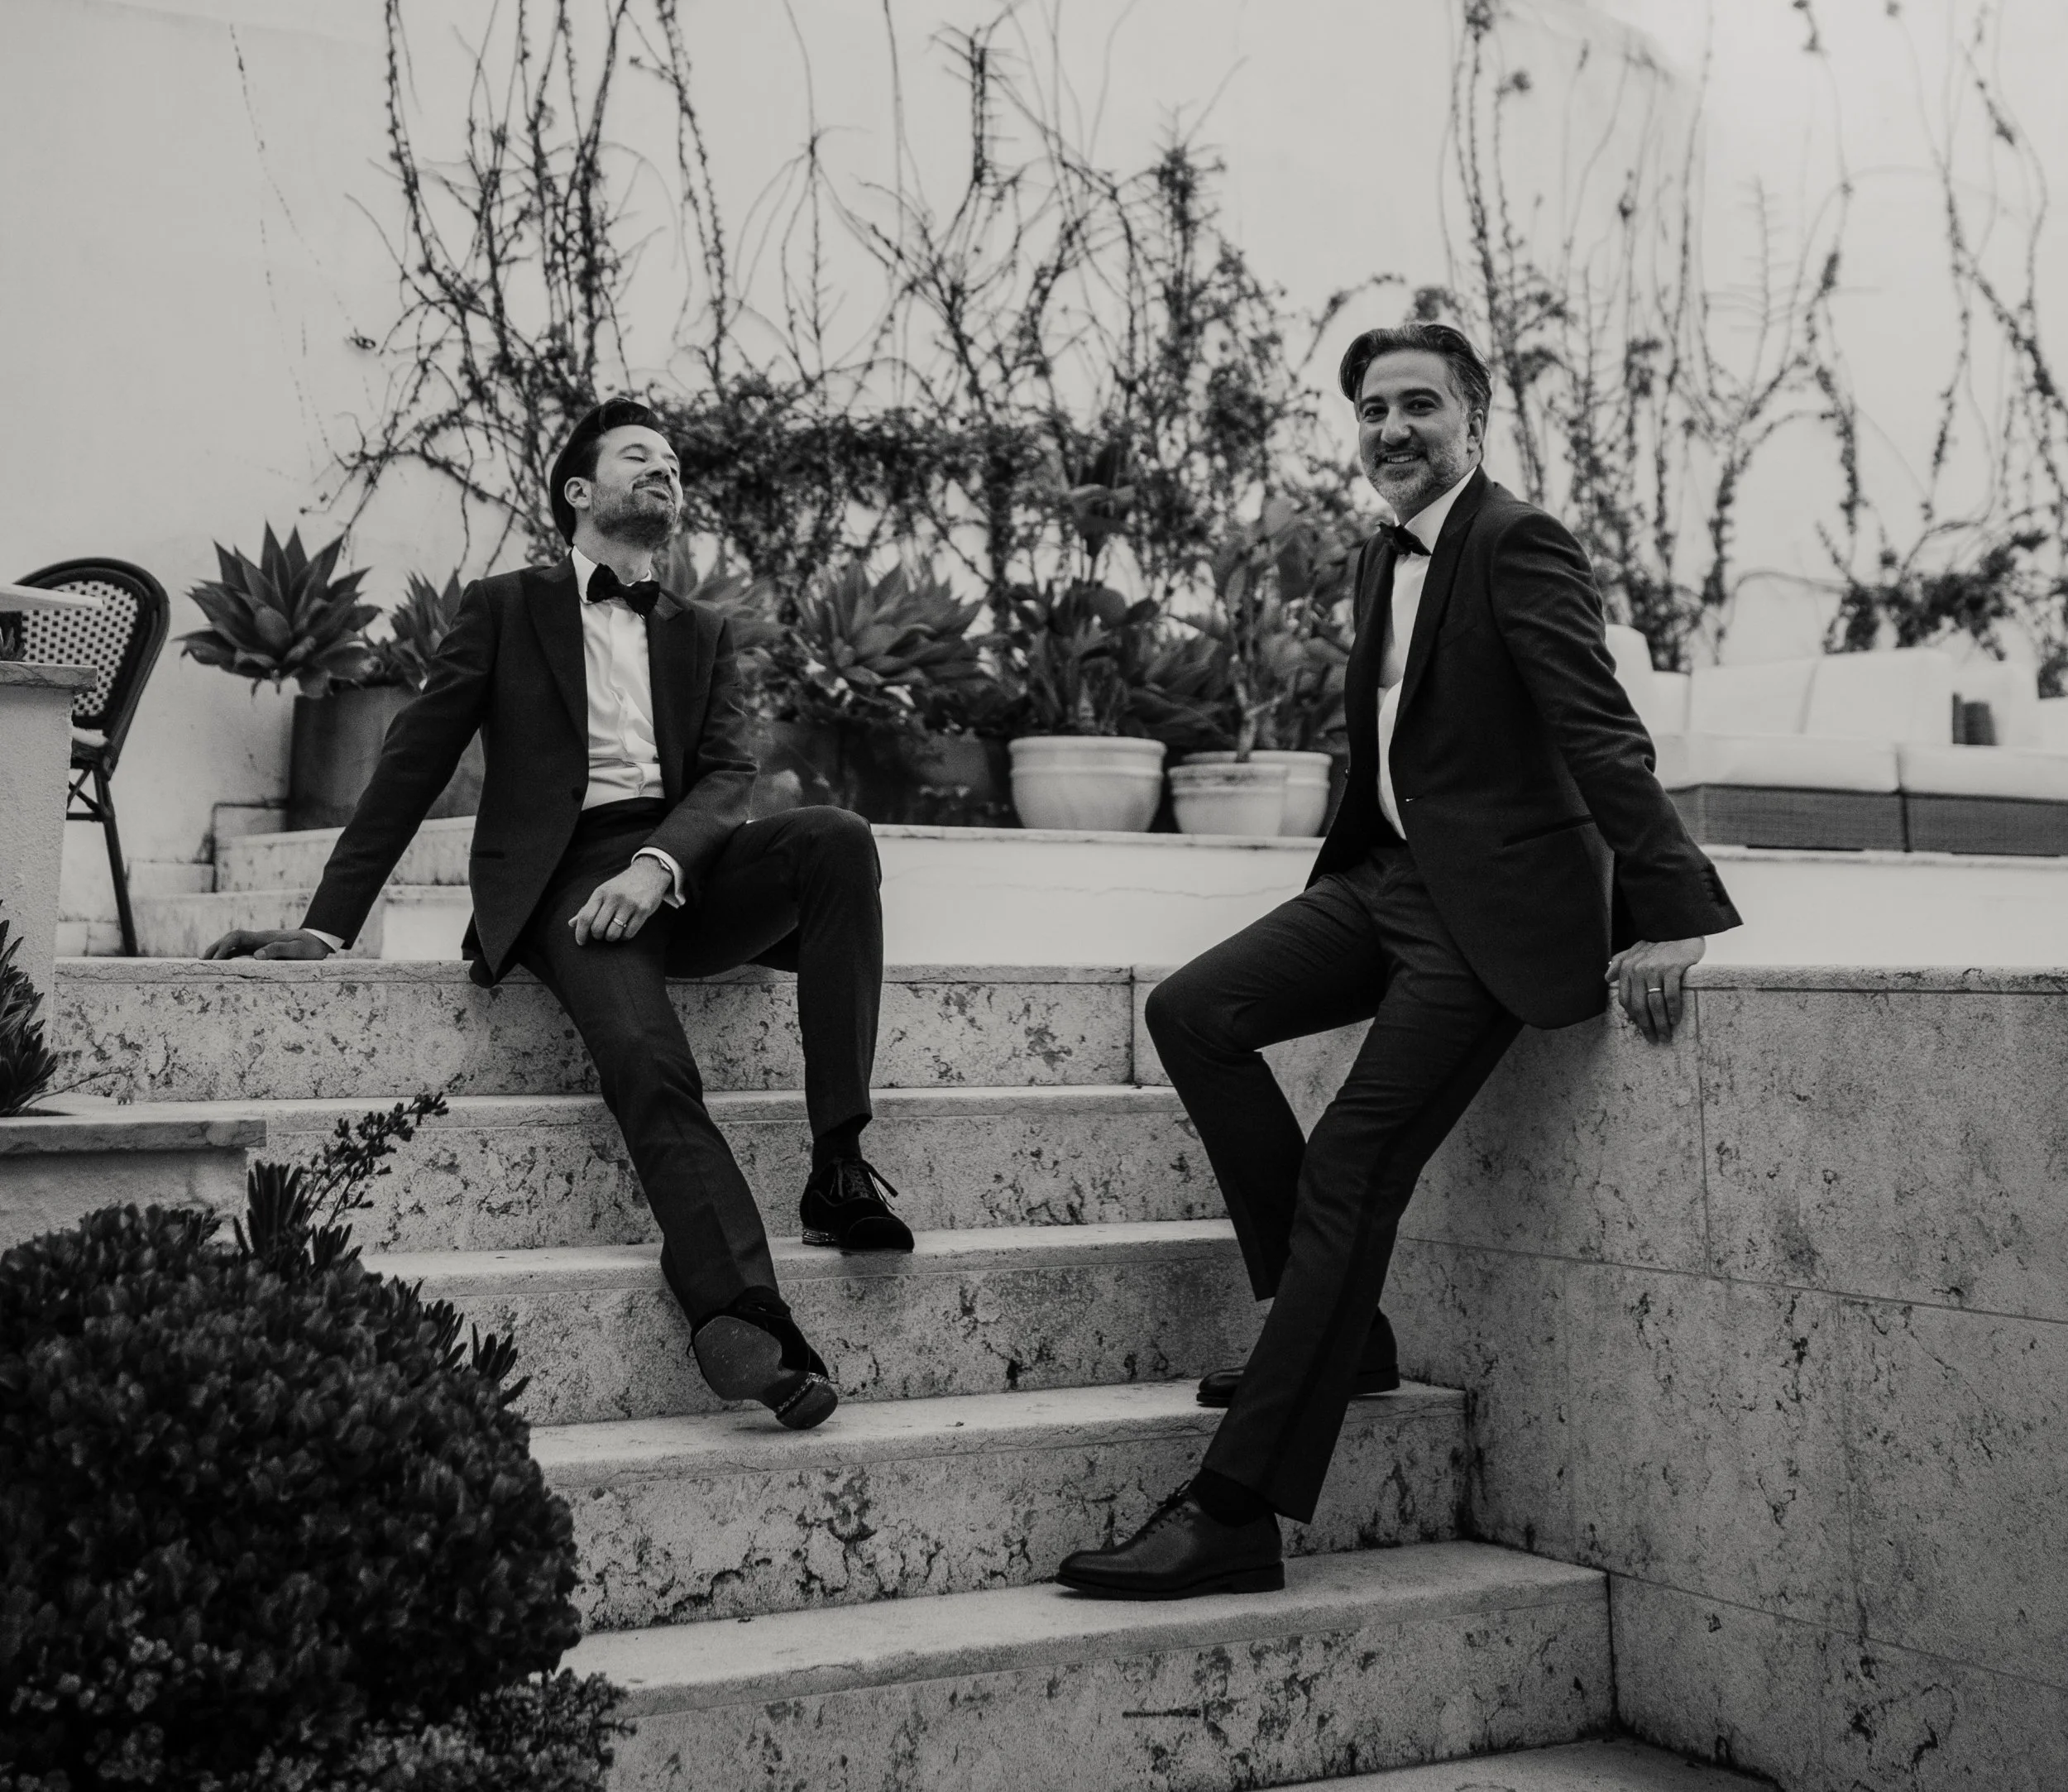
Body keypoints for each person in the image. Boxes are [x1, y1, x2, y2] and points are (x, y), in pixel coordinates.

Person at [1057, 319, 1741, 1598]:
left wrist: (1678, 905)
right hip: (1383, 884)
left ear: (1475, 417)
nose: (1390, 431)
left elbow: (1601, 731)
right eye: (1372, 409)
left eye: (1417, 405)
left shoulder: (1518, 540)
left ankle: (1238, 1508)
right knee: (1197, 1011)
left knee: (1353, 1164)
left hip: (1493, 916)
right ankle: (1344, 1330)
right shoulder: (1381, 555)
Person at [208, 400, 912, 1431]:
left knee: (836, 837)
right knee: (649, 1059)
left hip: (683, 866)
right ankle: (746, 1313)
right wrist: (326, 924)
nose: (665, 470)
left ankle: (839, 1163)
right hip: (564, 880)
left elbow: (726, 774)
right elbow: (414, 763)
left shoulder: (702, 631)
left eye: (673, 461)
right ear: (579, 491)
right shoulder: (503, 606)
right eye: (641, 456)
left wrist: (663, 861)